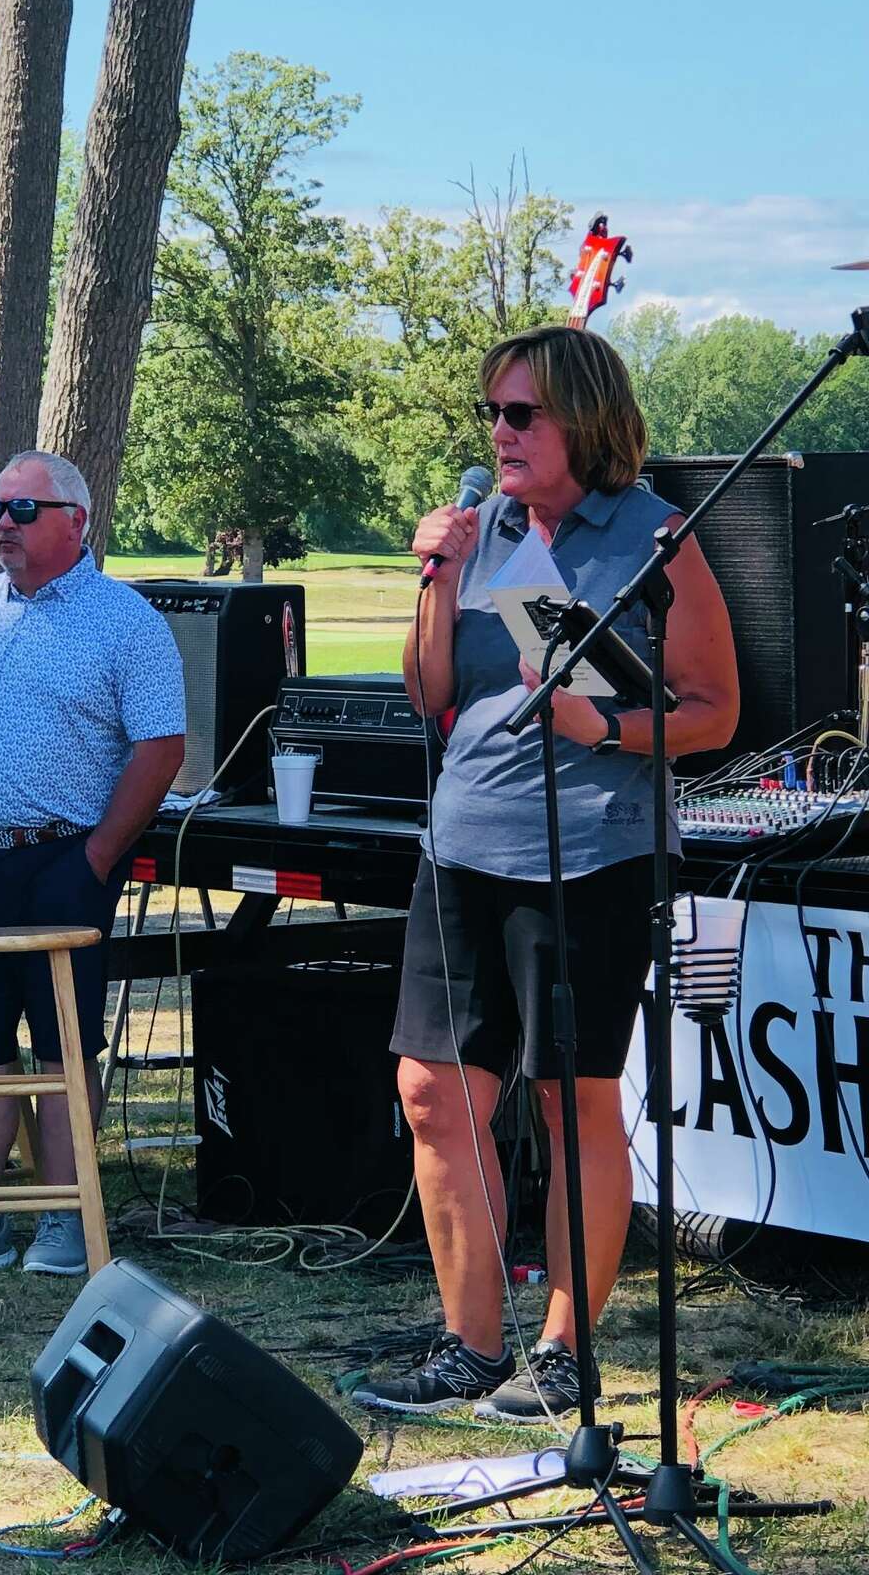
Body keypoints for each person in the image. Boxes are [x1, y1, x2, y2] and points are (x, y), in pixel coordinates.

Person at [352, 325, 738, 1421]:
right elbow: (432, 690)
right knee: (432, 1093)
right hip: (460, 840)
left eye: (522, 414)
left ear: (584, 421)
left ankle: (564, 1349)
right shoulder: (482, 533)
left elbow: (714, 712)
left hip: (592, 851)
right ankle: (471, 1345)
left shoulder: (655, 535)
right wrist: (435, 570)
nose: (501, 433)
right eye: (492, 414)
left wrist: (598, 724)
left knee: (573, 1098)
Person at [0, 450, 185, 1277]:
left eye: (23, 511)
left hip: (65, 860)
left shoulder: (125, 619)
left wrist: (96, 856)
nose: (2, 526)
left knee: (62, 1047)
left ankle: (63, 1219)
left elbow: (160, 746)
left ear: (77, 521)